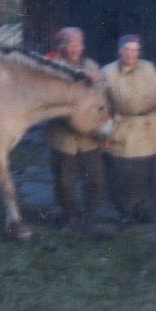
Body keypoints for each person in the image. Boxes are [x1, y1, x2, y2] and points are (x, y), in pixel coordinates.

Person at [100, 35, 156, 224]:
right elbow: (103, 106)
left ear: (139, 52)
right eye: (126, 50)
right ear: (119, 51)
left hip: (148, 127)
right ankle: (124, 212)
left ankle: (140, 209)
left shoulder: (148, 68)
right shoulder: (108, 72)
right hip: (123, 127)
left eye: (134, 50)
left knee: (146, 171)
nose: (130, 54)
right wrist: (105, 132)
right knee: (124, 172)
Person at [43, 27, 104, 230]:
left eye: (77, 45)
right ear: (62, 48)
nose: (74, 49)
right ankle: (70, 216)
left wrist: (105, 132)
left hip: (89, 137)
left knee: (94, 180)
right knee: (64, 184)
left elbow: (102, 99)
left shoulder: (93, 66)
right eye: (70, 45)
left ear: (82, 46)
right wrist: (78, 74)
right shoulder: (53, 66)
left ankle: (91, 218)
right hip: (62, 137)